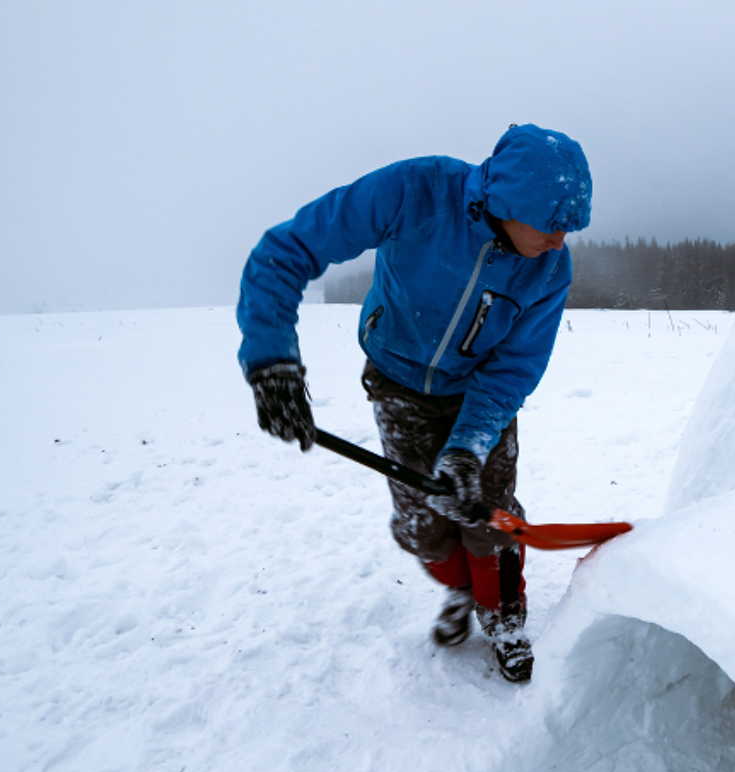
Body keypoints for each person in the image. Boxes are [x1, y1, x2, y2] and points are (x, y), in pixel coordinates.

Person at [234, 124, 592, 683]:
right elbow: (287, 250)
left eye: (570, 229)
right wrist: (271, 359)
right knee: (424, 525)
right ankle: (459, 589)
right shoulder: (416, 191)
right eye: (553, 225)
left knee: (486, 515)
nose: (560, 241)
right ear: (510, 202)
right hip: (397, 381)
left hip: (479, 393)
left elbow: (514, 367)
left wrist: (468, 448)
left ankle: (501, 612)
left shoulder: (548, 270)